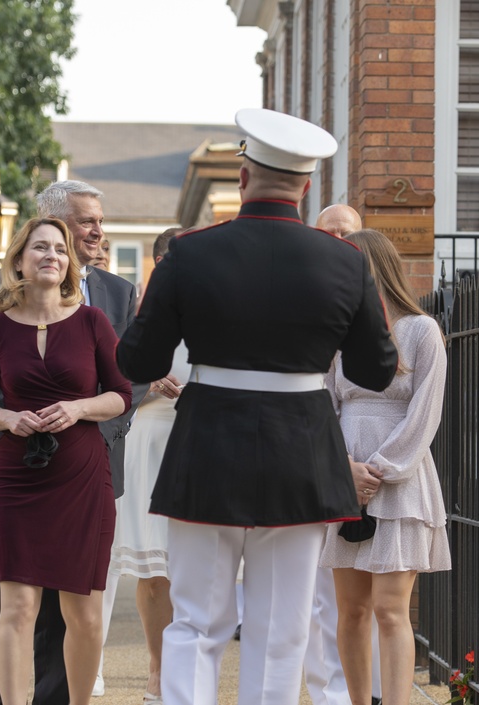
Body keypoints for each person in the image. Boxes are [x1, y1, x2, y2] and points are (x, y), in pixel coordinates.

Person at [115, 108, 398, 705]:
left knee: (195, 621)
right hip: (301, 456)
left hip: (208, 447)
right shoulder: (346, 261)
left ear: (243, 177)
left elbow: (137, 362)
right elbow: (375, 369)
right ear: (306, 186)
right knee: (280, 630)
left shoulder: (188, 254)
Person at [0, 180, 143, 705]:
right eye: (82, 223)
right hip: (15, 473)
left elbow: (123, 388)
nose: (94, 232)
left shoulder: (108, 302)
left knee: (81, 615)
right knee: (13, 607)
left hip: (84, 473)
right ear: (19, 258)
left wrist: (79, 409)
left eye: (61, 247)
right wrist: (9, 418)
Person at [319, 228, 451, 705]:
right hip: (345, 480)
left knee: (391, 609)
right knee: (350, 610)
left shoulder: (422, 330)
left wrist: (376, 471)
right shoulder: (337, 336)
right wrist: (344, 470)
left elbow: (425, 413)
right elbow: (325, 408)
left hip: (399, 483)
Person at [106, 227, 188, 704]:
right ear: (157, 264)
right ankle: (157, 670)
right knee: (153, 570)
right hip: (149, 441)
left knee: (196, 568)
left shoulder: (214, 315)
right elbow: (110, 379)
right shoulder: (133, 315)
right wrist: (147, 385)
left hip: (200, 441)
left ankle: (185, 670)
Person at [306, 203, 382, 705]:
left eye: (347, 233)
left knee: (364, 599)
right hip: (310, 461)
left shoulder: (376, 313)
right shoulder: (302, 304)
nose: (338, 239)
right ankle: (329, 693)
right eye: (329, 232)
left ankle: (365, 692)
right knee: (316, 597)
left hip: (364, 468)